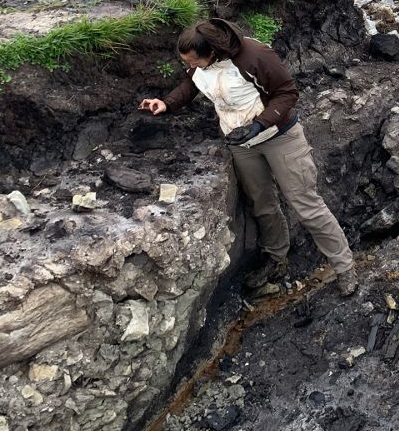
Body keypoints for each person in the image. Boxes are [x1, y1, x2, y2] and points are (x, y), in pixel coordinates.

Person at [139, 18, 358, 296]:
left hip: (279, 137)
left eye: (194, 60)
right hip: (240, 142)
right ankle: (276, 258)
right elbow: (193, 82)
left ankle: (344, 266)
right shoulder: (200, 65)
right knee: (262, 203)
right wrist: (167, 102)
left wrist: (259, 124)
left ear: (213, 52)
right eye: (187, 62)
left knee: (306, 205)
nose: (190, 66)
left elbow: (287, 92)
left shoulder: (254, 56)